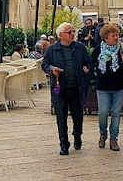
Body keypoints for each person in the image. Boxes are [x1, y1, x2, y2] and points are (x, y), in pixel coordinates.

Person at [42, 22, 91, 156]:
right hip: (59, 89)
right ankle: (64, 144)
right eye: (70, 32)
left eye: (73, 31)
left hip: (76, 88)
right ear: (61, 35)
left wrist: (87, 68)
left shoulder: (80, 48)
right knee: (61, 118)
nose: (73, 34)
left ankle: (77, 135)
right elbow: (44, 64)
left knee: (78, 116)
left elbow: (88, 62)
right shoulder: (52, 50)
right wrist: (52, 70)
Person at [92, 23, 123, 151]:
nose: (116, 37)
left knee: (116, 113)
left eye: (117, 35)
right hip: (103, 87)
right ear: (106, 38)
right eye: (113, 35)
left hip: (120, 87)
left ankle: (114, 139)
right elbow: (91, 63)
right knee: (102, 113)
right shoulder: (98, 50)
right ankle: (103, 134)